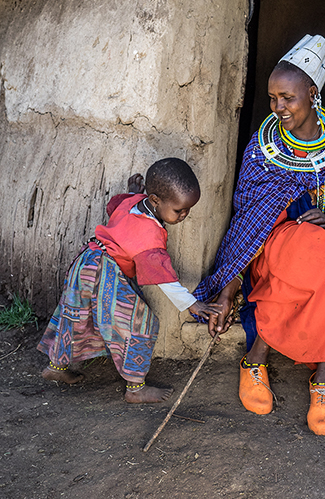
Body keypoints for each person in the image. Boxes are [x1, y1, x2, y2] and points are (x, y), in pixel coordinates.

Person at [194, 35, 325, 435]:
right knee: (311, 255)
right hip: (274, 244)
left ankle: (322, 378)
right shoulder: (263, 148)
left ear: (312, 94)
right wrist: (228, 291)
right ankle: (258, 359)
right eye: (272, 98)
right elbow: (249, 218)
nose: (277, 108)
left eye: (287, 98)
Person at [38, 158, 219, 404]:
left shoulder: (134, 202)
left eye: (188, 209)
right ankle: (135, 388)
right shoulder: (150, 234)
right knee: (139, 324)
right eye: (179, 210)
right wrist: (192, 304)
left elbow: (116, 207)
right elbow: (163, 279)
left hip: (86, 262)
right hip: (106, 274)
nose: (184, 215)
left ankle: (56, 367)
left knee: (74, 315)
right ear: (155, 200)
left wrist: (134, 193)